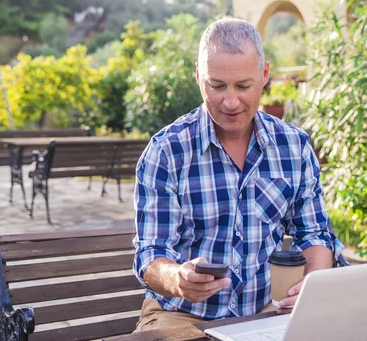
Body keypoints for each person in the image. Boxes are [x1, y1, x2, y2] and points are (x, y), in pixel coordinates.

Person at [132, 17, 343, 332]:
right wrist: (177, 280)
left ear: (264, 75)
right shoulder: (166, 151)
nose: (230, 101)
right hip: (182, 314)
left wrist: (311, 286)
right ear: (199, 76)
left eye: (243, 86)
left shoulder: (294, 146)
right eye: (216, 86)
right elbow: (152, 252)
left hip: (267, 309)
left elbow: (313, 233)